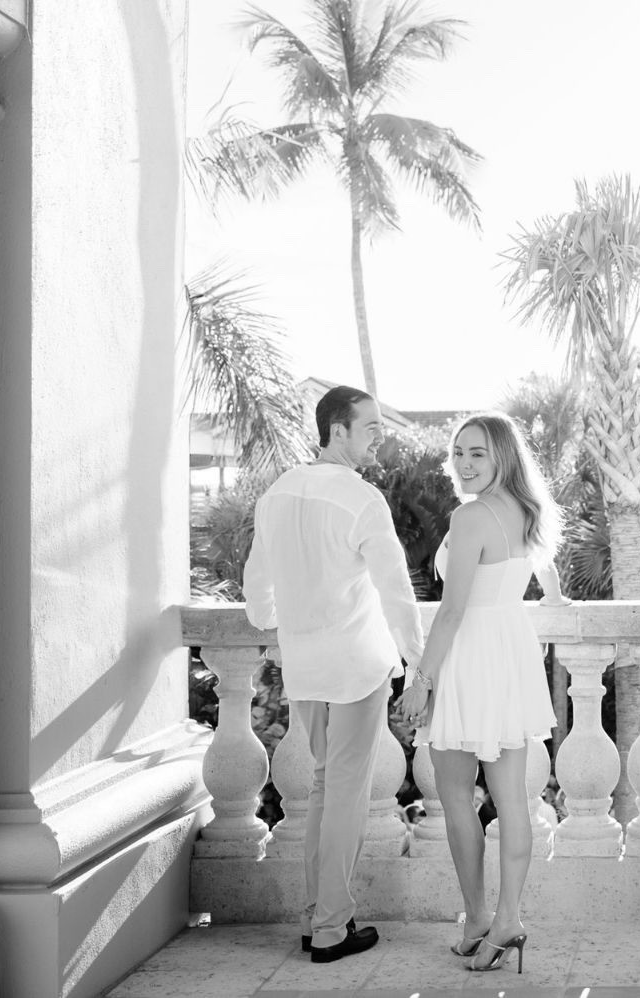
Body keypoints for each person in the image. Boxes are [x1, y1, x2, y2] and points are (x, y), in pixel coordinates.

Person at [243, 385, 424, 964]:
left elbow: (257, 595)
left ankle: (316, 916)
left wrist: (279, 620)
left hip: (304, 666)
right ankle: (330, 928)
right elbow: (397, 592)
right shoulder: (361, 500)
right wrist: (418, 661)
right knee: (342, 792)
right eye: (370, 425)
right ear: (337, 430)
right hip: (355, 665)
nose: (379, 435)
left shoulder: (278, 493)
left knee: (325, 787)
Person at [398, 412, 569, 974]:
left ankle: (480, 917)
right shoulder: (527, 511)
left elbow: (451, 610)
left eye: (478, 454)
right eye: (460, 452)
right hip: (512, 651)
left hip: (470, 653)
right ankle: (506, 920)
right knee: (513, 799)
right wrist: (556, 602)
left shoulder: (471, 517)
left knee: (456, 797)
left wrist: (421, 681)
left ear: (502, 458)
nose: (465, 464)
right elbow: (545, 579)